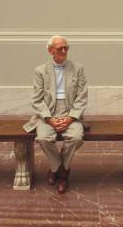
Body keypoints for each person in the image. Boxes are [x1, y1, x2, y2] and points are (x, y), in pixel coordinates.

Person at [23, 35, 88, 194]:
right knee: (44, 138)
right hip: (48, 113)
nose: (64, 51)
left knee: (77, 137)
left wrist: (71, 118)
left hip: (70, 112)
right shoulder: (40, 71)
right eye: (60, 48)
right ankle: (61, 170)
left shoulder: (77, 68)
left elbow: (82, 96)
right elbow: (37, 100)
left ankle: (58, 171)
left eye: (66, 48)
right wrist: (49, 119)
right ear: (50, 51)